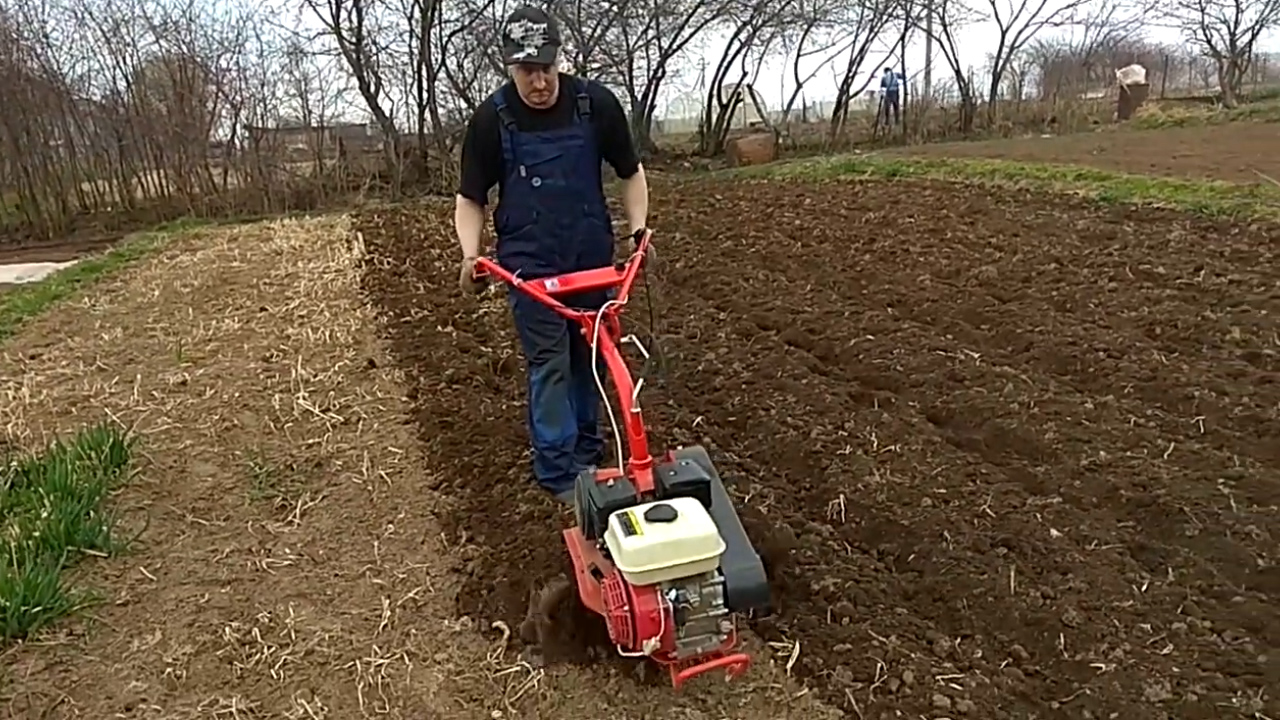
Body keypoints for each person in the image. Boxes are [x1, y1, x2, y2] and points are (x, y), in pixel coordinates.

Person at [453, 5, 649, 506]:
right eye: (526, 71)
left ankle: (590, 454)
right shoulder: (492, 120)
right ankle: (560, 472)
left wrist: (639, 229)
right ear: (509, 67)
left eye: (545, 67)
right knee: (551, 363)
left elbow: (630, 171)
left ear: (559, 58)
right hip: (529, 267)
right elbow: (471, 198)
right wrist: (471, 254)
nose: (538, 81)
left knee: (592, 360)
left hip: (590, 258)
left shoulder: (595, 105)